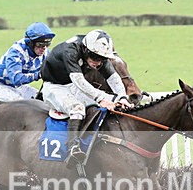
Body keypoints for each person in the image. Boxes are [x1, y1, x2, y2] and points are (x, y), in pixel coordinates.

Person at [40, 29, 133, 162]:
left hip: (72, 85)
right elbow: (79, 81)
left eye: (102, 59)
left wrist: (122, 97)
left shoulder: (96, 52)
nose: (99, 62)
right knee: (77, 108)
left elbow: (114, 78)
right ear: (85, 50)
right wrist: (100, 99)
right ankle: (72, 147)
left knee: (115, 101)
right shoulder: (70, 51)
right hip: (54, 87)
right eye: (96, 58)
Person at [0, 22, 55, 102]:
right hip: (1, 87)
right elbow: (17, 79)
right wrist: (37, 75)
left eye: (47, 44)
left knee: (44, 100)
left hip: (20, 87)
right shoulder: (16, 52)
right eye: (40, 44)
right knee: (23, 106)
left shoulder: (45, 53)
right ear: (30, 42)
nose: (44, 48)